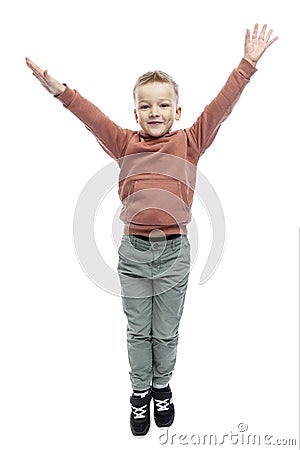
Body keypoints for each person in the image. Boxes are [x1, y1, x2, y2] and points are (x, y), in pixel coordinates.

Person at [25, 23, 278, 437]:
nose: (155, 113)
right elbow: (91, 117)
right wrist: (59, 89)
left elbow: (221, 106)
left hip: (175, 253)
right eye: (146, 107)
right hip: (135, 254)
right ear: (136, 112)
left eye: (163, 106)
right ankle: (139, 393)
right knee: (137, 330)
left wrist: (247, 64)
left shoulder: (190, 141)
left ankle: (163, 388)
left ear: (176, 111)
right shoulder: (125, 143)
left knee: (166, 331)